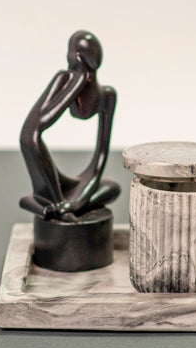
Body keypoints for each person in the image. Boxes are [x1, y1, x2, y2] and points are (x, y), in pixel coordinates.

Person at [19, 31, 120, 222]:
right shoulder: (63, 80)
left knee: (112, 188)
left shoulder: (107, 96)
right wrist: (74, 86)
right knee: (29, 140)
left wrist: (77, 202)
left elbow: (99, 161)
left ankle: (53, 207)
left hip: (81, 186)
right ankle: (53, 202)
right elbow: (31, 132)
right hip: (56, 186)